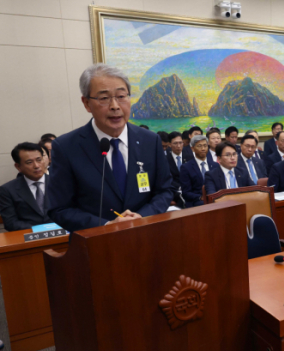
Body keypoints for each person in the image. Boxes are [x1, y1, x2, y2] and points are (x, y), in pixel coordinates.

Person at [47, 63, 172, 232]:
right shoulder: (66, 147)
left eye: (121, 96)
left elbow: (164, 191)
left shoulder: (150, 140)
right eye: (104, 98)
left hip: (146, 238)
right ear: (86, 103)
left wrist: (141, 217)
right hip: (95, 245)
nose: (115, 106)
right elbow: (59, 208)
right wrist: (106, 226)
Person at [0, 143, 53, 231]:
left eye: (39, 160)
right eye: (29, 162)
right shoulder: (7, 190)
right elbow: (10, 223)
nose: (36, 166)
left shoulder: (59, 183)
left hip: (61, 234)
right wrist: (40, 230)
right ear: (18, 166)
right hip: (27, 238)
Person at [180, 135, 217, 208]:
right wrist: (200, 197)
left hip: (214, 200)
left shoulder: (215, 165)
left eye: (205, 146)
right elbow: (186, 192)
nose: (203, 149)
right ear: (192, 148)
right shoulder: (186, 167)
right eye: (199, 146)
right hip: (196, 202)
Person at [166, 131, 189, 208]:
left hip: (189, 188)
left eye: (180, 143)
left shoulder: (189, 157)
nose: (178, 146)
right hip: (174, 190)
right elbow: (166, 179)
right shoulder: (165, 160)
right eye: (175, 143)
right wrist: (179, 187)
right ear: (169, 144)